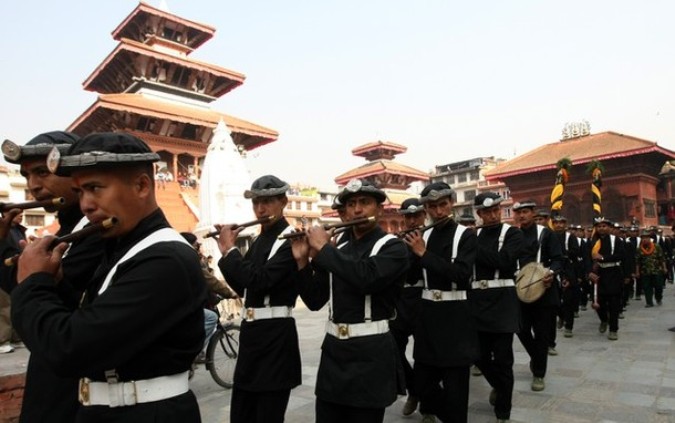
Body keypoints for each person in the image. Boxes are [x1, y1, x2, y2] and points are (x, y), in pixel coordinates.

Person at [10, 132, 206, 422]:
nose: (86, 205)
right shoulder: (120, 248)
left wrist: (32, 284)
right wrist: (57, 282)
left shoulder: (166, 260)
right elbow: (86, 320)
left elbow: (70, 348)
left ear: (141, 185)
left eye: (95, 188)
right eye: (80, 192)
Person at [0, 132, 107, 422]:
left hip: (74, 386)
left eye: (42, 172)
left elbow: (42, 300)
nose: (34, 186)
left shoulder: (96, 233)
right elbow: (21, 289)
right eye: (27, 175)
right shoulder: (65, 232)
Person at [291, 178, 409, 423]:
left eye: (365, 202)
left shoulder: (393, 247)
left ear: (379, 208)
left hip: (370, 352)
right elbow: (314, 300)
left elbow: (366, 278)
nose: (357, 210)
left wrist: (325, 250)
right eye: (352, 204)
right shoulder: (338, 248)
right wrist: (302, 262)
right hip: (334, 352)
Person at [214, 175, 301, 423]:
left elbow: (260, 280)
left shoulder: (290, 239)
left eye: (268, 201)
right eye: (256, 203)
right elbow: (244, 287)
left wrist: (231, 251)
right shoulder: (259, 240)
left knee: (267, 415)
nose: (260, 209)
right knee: (241, 413)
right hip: (253, 336)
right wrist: (225, 252)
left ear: (283, 202)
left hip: (275, 337)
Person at [404, 182, 478, 423]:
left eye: (443, 205)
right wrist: (405, 252)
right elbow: (413, 276)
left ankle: (455, 417)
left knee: (456, 385)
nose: (438, 212)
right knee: (422, 381)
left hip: (456, 315)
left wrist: (423, 254)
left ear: (451, 204)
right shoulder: (422, 235)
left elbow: (461, 275)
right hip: (427, 315)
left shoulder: (465, 235)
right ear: (426, 209)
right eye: (432, 207)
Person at [469, 192, 523, 423]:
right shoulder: (473, 235)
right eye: (486, 212)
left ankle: (503, 411)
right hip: (476, 302)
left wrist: (472, 245)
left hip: (502, 302)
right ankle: (500, 386)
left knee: (503, 359)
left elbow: (504, 261)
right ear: (479, 214)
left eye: (495, 211)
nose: (491, 215)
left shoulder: (512, 233)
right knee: (477, 355)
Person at [512, 200, 562, 392]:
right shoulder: (513, 236)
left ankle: (539, 374)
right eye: (519, 213)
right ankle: (536, 356)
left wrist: (552, 273)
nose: (522, 215)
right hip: (520, 291)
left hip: (543, 290)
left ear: (533, 213)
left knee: (541, 335)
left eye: (525, 212)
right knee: (520, 329)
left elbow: (558, 259)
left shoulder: (546, 234)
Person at [392, 198, 426, 416]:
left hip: (425, 299)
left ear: (424, 215)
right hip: (400, 300)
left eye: (416, 216)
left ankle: (429, 405)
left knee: (426, 356)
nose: (412, 221)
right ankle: (415, 389)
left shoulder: (434, 238)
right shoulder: (394, 242)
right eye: (408, 217)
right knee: (393, 350)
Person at [587, 217, 627, 341]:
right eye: (599, 226)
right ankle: (604, 320)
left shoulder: (617, 240)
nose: (601, 228)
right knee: (598, 302)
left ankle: (613, 329)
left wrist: (604, 258)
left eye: (604, 226)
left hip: (613, 273)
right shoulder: (591, 241)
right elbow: (585, 258)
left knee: (614, 303)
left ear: (609, 227)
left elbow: (621, 256)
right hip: (598, 274)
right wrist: (588, 272)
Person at [551, 215, 580, 338]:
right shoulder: (550, 236)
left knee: (568, 301)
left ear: (565, 224)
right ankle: (561, 316)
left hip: (568, 270)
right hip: (554, 270)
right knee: (554, 300)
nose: (559, 225)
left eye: (561, 223)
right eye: (556, 223)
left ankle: (569, 326)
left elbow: (575, 253)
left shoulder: (570, 237)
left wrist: (562, 254)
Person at [0, 213, 26, 354]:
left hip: (16, 269)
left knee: (15, 304)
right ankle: (2, 341)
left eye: (22, 214)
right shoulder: (4, 229)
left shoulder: (19, 230)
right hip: (4, 270)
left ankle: (16, 337)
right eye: (17, 215)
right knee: (4, 307)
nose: (21, 217)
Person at [635, 229, 667, 308]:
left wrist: (664, 268)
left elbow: (661, 258)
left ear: (650, 238)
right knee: (647, 287)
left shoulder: (656, 246)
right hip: (645, 271)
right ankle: (649, 302)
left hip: (656, 270)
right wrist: (637, 272)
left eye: (646, 237)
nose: (645, 239)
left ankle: (658, 298)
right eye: (643, 238)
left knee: (659, 286)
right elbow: (637, 262)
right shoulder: (639, 249)